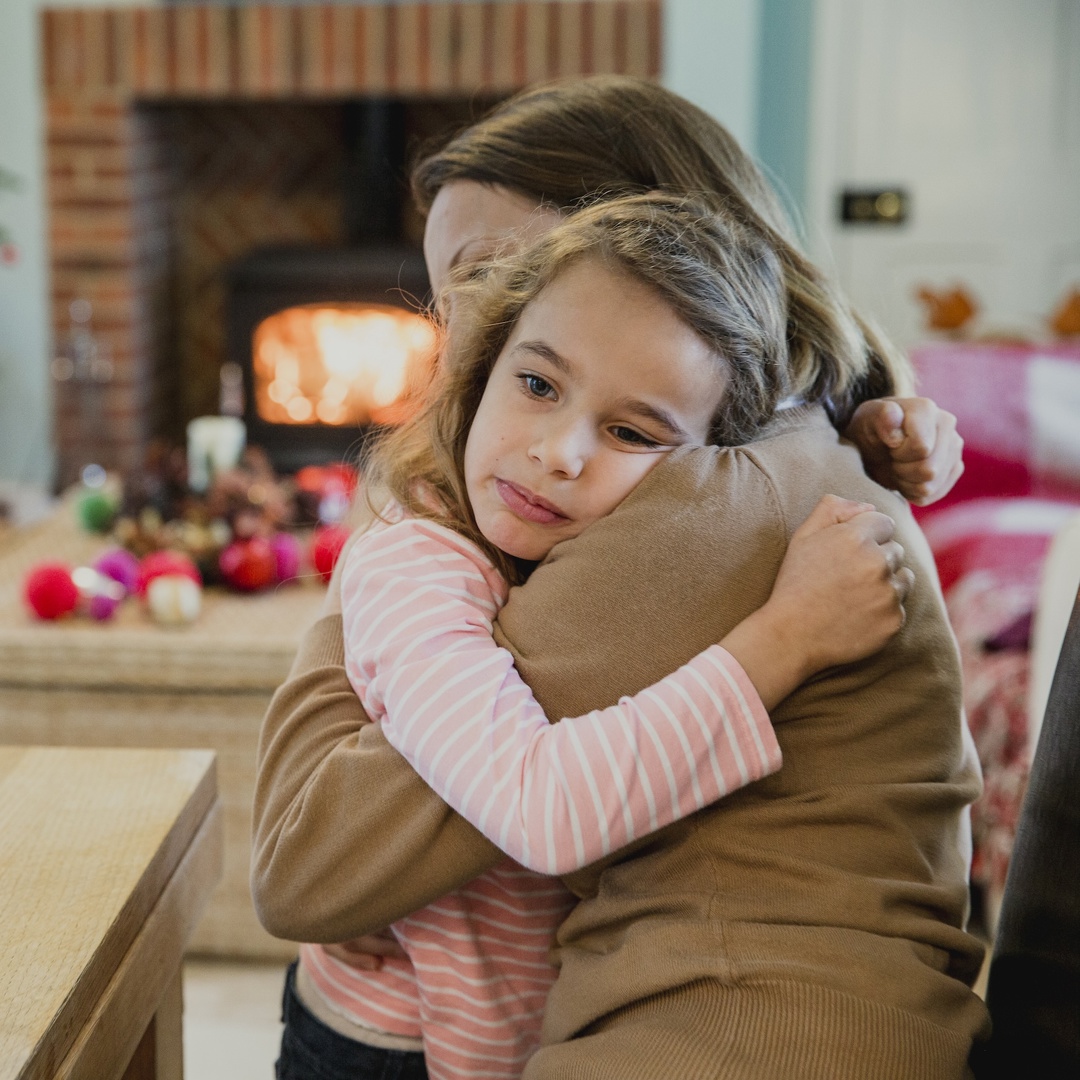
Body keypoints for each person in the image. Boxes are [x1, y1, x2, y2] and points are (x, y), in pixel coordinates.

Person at [253, 77, 985, 1078]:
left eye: (495, 270)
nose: (461, 328)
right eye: (445, 289)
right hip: (404, 1021)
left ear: (653, 235)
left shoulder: (708, 500)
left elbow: (312, 865)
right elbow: (314, 863)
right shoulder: (752, 456)